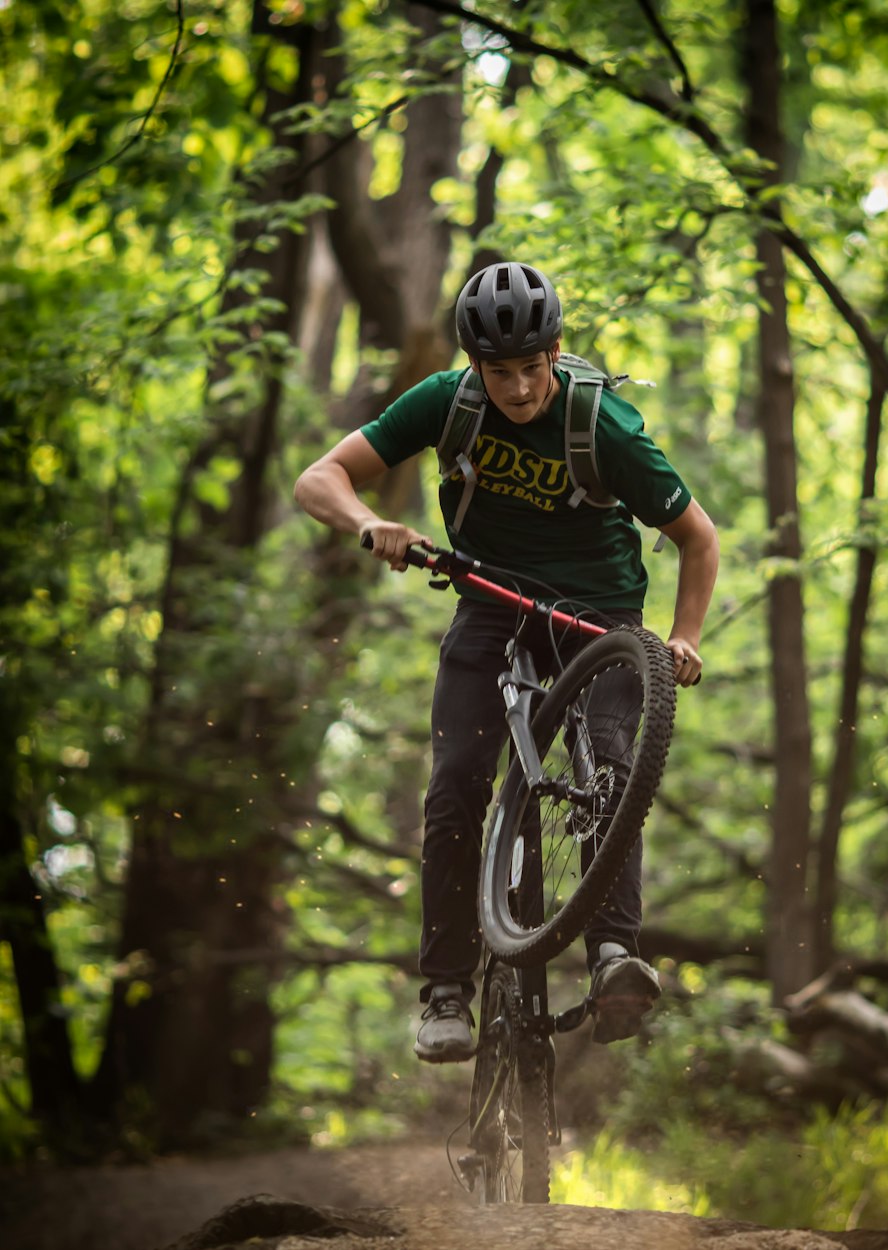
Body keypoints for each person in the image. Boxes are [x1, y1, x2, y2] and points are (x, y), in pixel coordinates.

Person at [294, 261, 719, 1063]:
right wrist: (368, 521)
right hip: (490, 599)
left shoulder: (606, 426)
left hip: (600, 616)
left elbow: (699, 537)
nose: (519, 389)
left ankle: (613, 955)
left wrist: (685, 634)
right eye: (500, 373)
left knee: (612, 768)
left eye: (532, 368)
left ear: (556, 352)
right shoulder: (444, 404)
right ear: (473, 366)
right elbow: (319, 478)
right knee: (456, 783)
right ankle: (446, 992)